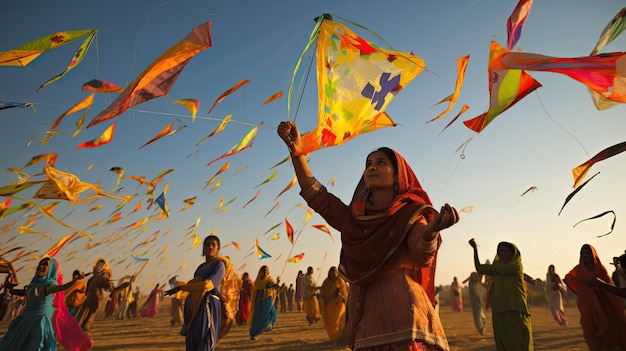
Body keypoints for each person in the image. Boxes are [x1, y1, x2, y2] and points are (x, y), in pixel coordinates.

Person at [278, 121, 459, 350]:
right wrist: (297, 152)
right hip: (367, 320)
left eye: (380, 163)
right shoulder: (354, 218)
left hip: (407, 319)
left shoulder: (410, 214)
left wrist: (432, 230)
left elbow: (420, 254)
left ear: (397, 176)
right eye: (368, 164)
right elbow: (318, 197)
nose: (371, 167)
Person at [0, 257, 92, 351]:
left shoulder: (50, 283)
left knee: (36, 344)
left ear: (51, 269)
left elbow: (60, 288)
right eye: (40, 264)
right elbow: (25, 292)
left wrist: (75, 281)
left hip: (40, 321)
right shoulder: (34, 283)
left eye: (45, 265)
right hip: (25, 320)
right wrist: (10, 289)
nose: (41, 266)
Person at [164, 235, 227, 351]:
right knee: (193, 340)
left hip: (208, 306)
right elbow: (195, 285)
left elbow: (207, 285)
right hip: (194, 306)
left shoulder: (219, 265)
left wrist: (182, 287)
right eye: (207, 244)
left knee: (204, 340)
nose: (210, 247)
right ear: (203, 248)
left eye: (213, 244)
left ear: (218, 248)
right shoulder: (200, 268)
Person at [469, 239, 533, 351]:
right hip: (500, 311)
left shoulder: (516, 266)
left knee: (519, 343)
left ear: (513, 254)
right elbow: (479, 268)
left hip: (515, 310)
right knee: (504, 343)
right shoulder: (496, 268)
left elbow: (490, 269)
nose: (503, 254)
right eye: (500, 251)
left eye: (506, 251)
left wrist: (491, 268)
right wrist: (475, 250)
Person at [563, 244, 626, 351]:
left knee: (611, 327)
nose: (585, 255)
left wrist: (598, 284)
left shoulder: (601, 269)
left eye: (588, 253)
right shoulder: (579, 270)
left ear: (593, 255)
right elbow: (568, 279)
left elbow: (609, 284)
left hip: (605, 302)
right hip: (588, 303)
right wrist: (583, 286)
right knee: (590, 327)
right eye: (583, 253)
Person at [74, 258, 131, 332]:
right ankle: (84, 331)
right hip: (95, 299)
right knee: (89, 317)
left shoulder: (92, 278)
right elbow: (111, 288)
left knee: (83, 315)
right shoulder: (100, 277)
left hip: (88, 299)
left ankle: (80, 329)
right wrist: (126, 284)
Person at [249, 265, 279, 340]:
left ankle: (266, 326)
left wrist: (276, 284)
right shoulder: (258, 280)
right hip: (259, 300)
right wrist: (272, 285)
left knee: (272, 314)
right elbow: (265, 286)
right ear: (261, 271)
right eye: (264, 270)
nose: (265, 271)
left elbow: (272, 286)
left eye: (266, 270)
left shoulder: (270, 278)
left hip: (267, 299)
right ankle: (254, 334)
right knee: (258, 318)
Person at [320, 266, 348, 342]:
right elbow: (322, 294)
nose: (334, 274)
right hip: (329, 306)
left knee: (340, 320)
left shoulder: (340, 281)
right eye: (332, 272)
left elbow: (345, 293)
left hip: (340, 305)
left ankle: (340, 337)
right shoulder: (326, 282)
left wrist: (339, 294)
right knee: (331, 322)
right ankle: (334, 337)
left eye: (335, 272)